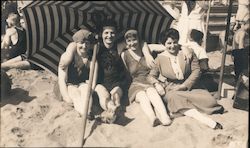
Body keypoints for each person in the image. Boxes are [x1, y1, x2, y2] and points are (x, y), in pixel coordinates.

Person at [148, 28, 224, 129]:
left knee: (209, 101)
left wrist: (184, 85)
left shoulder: (188, 52)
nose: (172, 46)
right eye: (169, 43)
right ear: (164, 44)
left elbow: (197, 71)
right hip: (172, 89)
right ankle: (208, 121)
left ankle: (178, 111)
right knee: (174, 98)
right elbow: (151, 76)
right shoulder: (159, 58)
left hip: (189, 86)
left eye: (175, 42)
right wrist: (156, 84)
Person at [57, 28, 117, 120]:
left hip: (82, 83)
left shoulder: (92, 60)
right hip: (69, 84)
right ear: (76, 43)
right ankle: (84, 112)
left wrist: (90, 91)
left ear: (90, 45)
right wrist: (66, 96)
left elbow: (92, 82)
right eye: (81, 43)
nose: (84, 46)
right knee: (75, 94)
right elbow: (62, 78)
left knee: (86, 90)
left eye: (87, 43)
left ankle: (88, 112)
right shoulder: (68, 56)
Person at [121, 29, 172, 126]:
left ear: (139, 39)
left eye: (134, 39)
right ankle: (152, 118)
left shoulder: (147, 48)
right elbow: (127, 73)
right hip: (136, 83)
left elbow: (166, 46)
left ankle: (165, 116)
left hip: (150, 81)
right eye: (129, 41)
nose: (132, 43)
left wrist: (147, 52)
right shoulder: (124, 55)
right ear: (126, 42)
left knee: (151, 92)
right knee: (142, 95)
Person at [96, 19, 128, 111]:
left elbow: (138, 42)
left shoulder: (119, 46)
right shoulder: (96, 48)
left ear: (116, 34)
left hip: (116, 82)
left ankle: (117, 107)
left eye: (112, 33)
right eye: (106, 33)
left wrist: (147, 53)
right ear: (101, 34)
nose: (109, 36)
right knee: (103, 94)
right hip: (100, 82)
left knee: (116, 94)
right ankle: (112, 108)